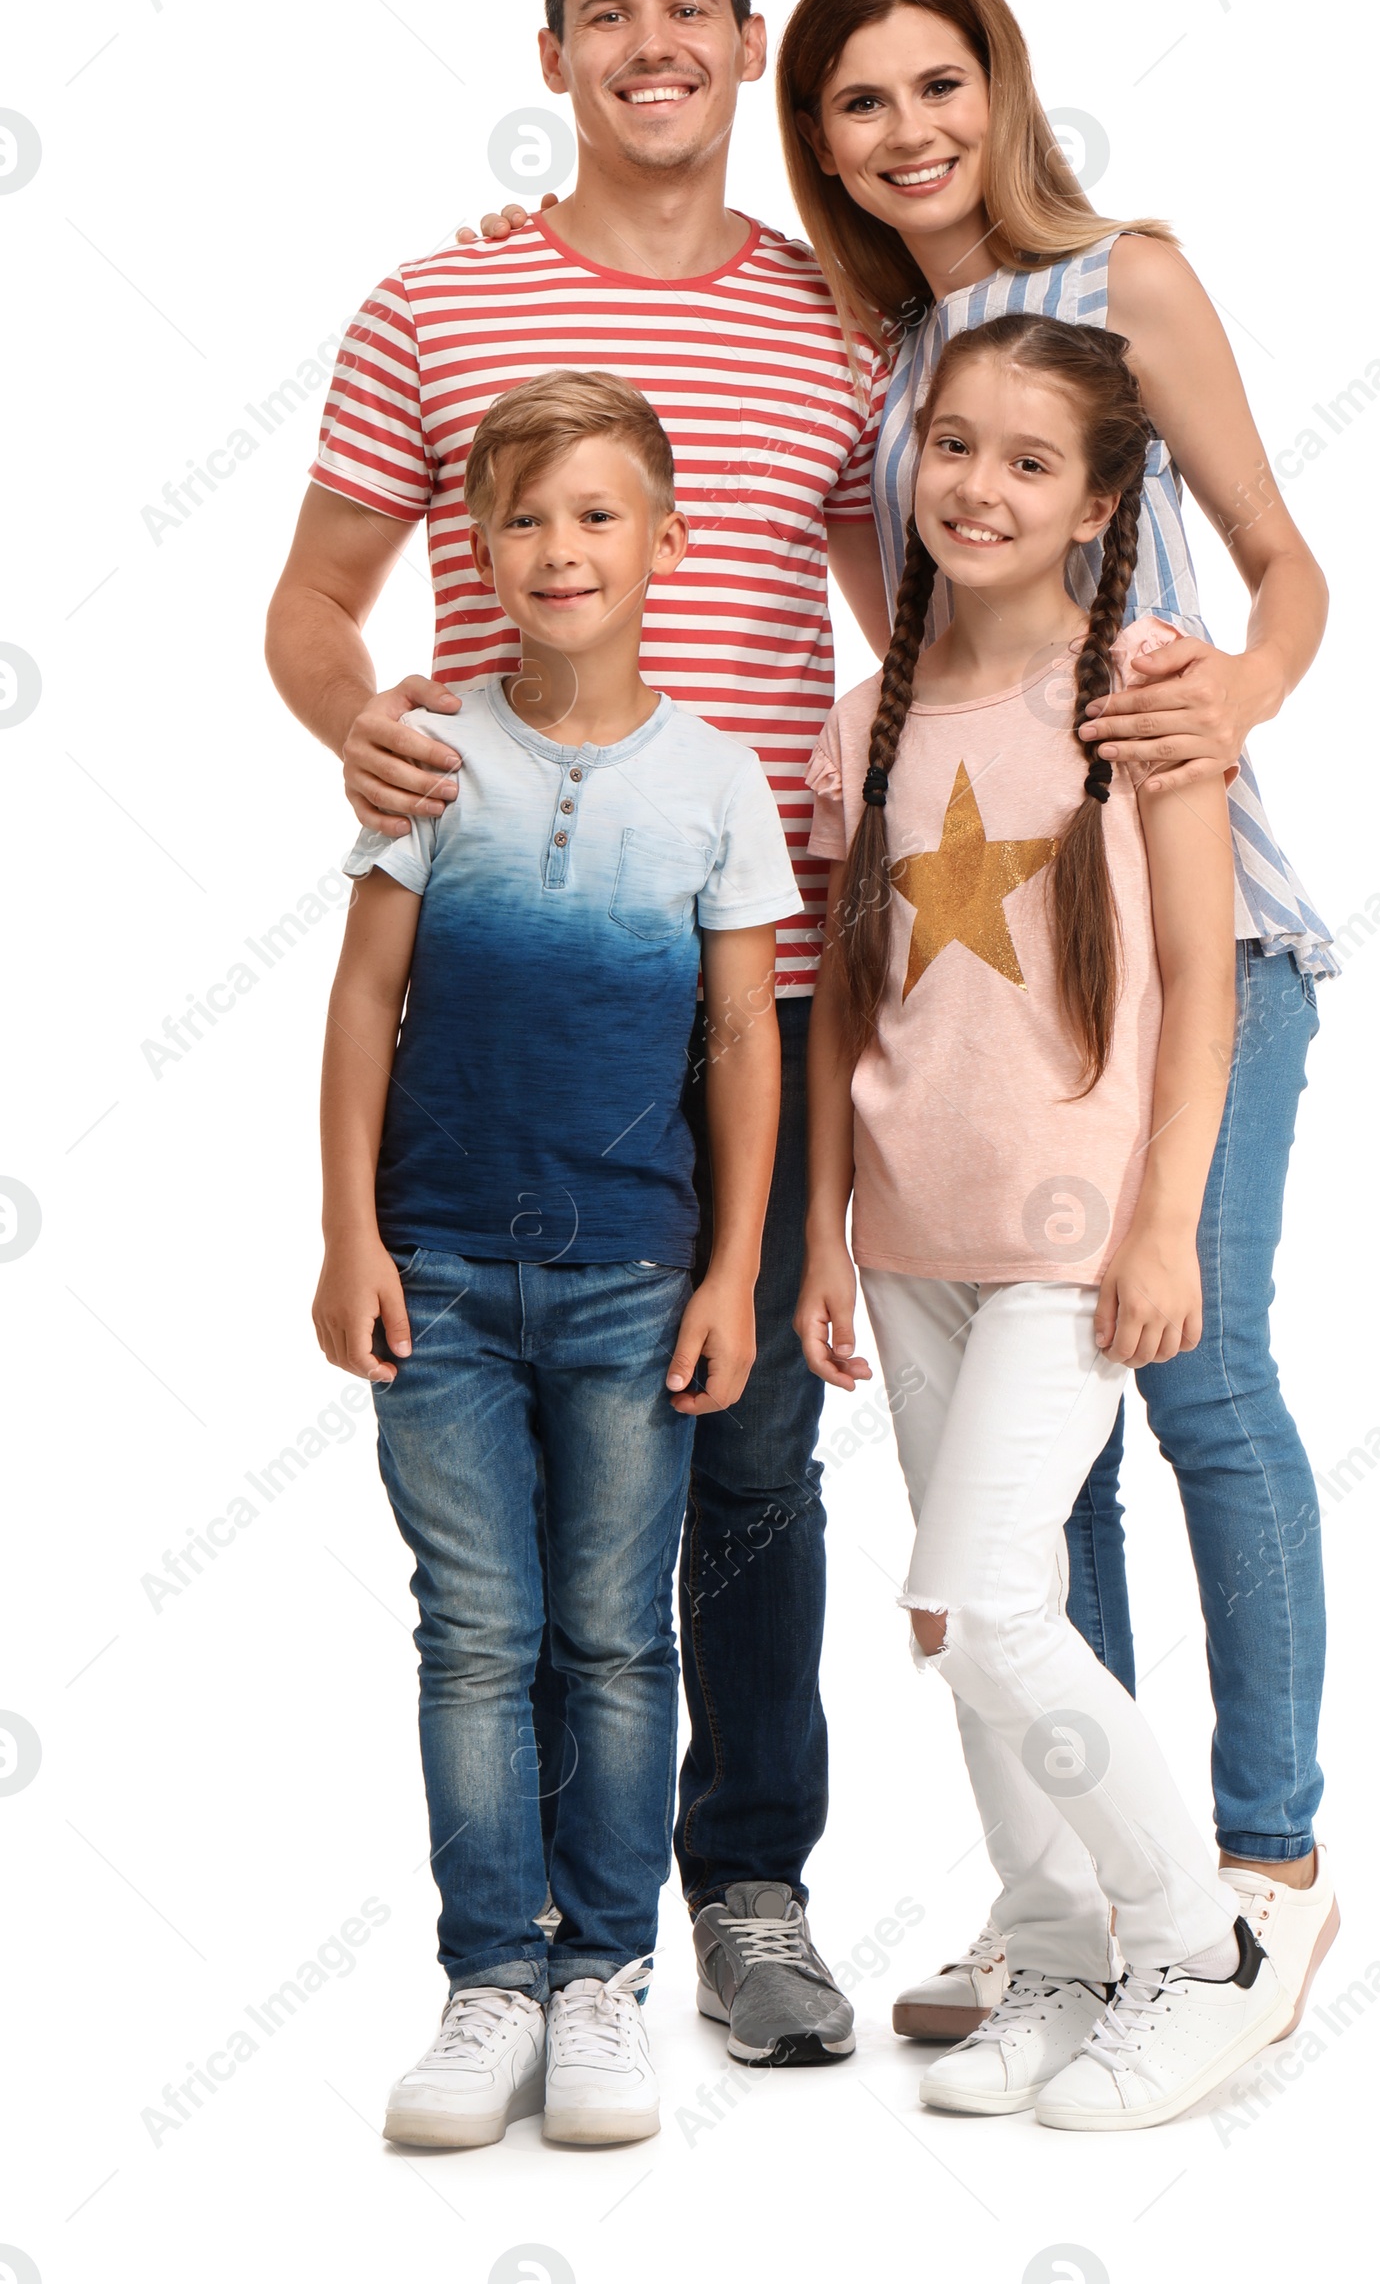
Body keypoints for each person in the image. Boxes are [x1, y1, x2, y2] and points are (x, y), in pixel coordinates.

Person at [269, 0, 887, 2068]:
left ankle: (738, 1888)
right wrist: (359, 722)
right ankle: (517, 1939)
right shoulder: (433, 309)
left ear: (743, 48)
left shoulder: (837, 317)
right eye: (605, 13)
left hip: (768, 964)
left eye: (693, 10)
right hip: (507, 977)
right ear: (552, 59)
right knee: (500, 1516)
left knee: (751, 1451)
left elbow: (910, 615)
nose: (652, 44)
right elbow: (314, 609)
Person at [777, 0, 1339, 2036]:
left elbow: (1280, 559)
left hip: (1200, 928)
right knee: (1036, 1468)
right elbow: (929, 668)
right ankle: (1088, 1902)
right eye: (857, 101)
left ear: (998, 83)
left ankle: (1263, 1866)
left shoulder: (1128, 277)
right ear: (818, 139)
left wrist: (1224, 698)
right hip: (990, 976)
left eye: (939, 81)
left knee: (1195, 1364)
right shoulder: (874, 358)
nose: (907, 129)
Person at [799, 312, 1293, 2128]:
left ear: (1100, 501)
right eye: (952, 446)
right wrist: (822, 1240)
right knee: (957, 1614)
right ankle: (1054, 1935)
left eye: (1027, 460)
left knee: (993, 1593)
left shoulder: (1143, 686)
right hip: (913, 1237)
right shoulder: (865, 719)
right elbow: (855, 1000)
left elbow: (1197, 978)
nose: (978, 485)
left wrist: (1164, 1223)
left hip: (1072, 1237)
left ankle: (1202, 1940)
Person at [313, 370, 804, 2146]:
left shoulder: (720, 783)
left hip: (632, 1279)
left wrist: (737, 1268)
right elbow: (368, 1001)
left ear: (668, 541)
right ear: (478, 546)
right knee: (476, 1633)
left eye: (598, 513)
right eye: (522, 516)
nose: (558, 547)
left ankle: (602, 1975)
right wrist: (346, 1234)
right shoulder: (433, 751)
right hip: (436, 1273)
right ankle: (488, 1982)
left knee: (608, 1637)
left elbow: (749, 1042)